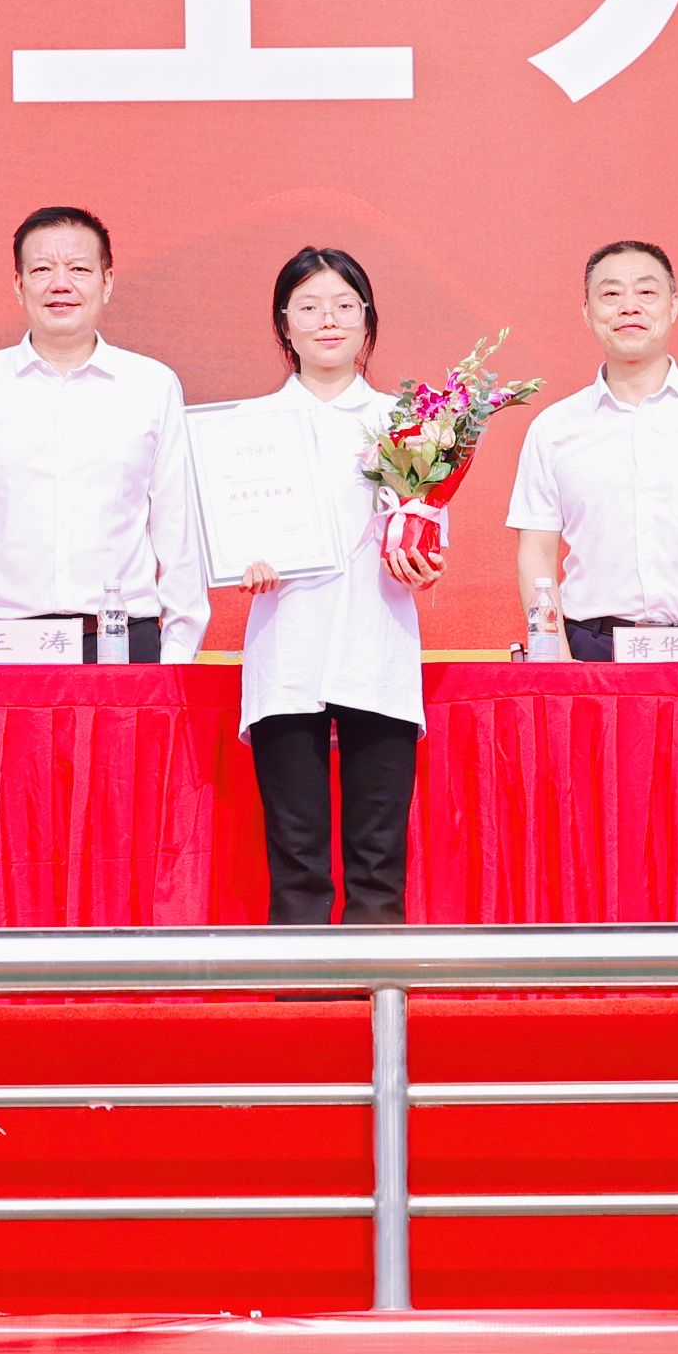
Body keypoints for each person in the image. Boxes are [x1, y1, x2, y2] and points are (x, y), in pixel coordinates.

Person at [0, 206, 207, 666]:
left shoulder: (151, 386)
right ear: (18, 284)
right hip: (2, 644)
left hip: (122, 641)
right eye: (42, 270)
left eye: (79, 269)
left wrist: (179, 650)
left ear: (107, 282)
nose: (60, 284)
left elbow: (177, 522)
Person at [233, 246, 428, 925]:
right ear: (283, 323)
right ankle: (300, 986)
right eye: (309, 306)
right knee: (297, 859)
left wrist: (423, 557)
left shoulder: (407, 423)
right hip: (287, 644)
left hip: (378, 641)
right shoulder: (246, 428)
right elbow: (226, 532)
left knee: (378, 859)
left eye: (345, 306)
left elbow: (428, 526)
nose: (328, 321)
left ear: (367, 320)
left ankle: (379, 982)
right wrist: (243, 559)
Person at [505, 239, 678, 659]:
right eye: (611, 294)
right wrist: (558, 661)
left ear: (673, 306)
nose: (629, 307)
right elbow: (536, 552)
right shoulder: (553, 428)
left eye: (646, 292)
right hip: (590, 648)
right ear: (587, 312)